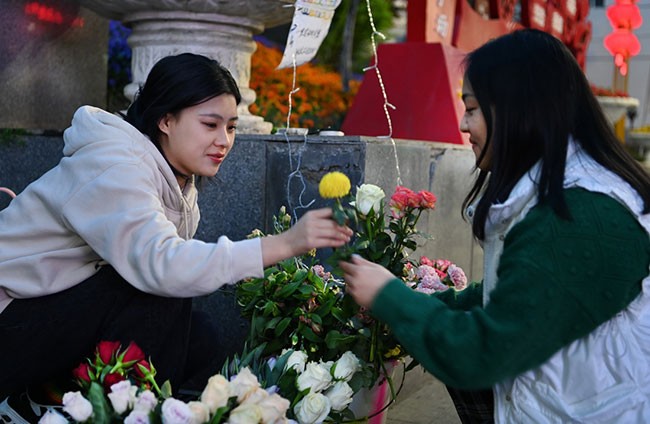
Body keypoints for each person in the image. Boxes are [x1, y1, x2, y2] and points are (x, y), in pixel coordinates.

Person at [0, 53, 352, 419]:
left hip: (46, 317)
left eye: (231, 127)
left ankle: (49, 398)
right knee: (159, 295)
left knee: (200, 340)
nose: (224, 141)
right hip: (10, 325)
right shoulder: (116, 165)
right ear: (166, 120)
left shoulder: (177, 180)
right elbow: (163, 266)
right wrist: (284, 244)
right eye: (210, 124)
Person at [340, 29, 650, 423]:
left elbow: (482, 354)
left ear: (518, 109)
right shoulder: (564, 192)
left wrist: (389, 297)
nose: (464, 125)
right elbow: (517, 293)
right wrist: (421, 302)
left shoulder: (578, 216)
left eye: (471, 109)